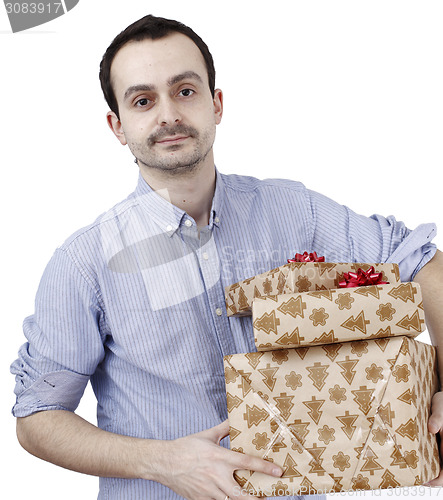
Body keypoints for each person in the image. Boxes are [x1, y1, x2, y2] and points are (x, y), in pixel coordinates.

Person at [10, 13, 443, 500]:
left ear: (217, 104)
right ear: (117, 125)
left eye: (186, 91)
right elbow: (38, 418)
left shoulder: (293, 209)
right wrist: (164, 461)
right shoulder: (84, 263)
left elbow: (421, 260)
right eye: (143, 100)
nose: (168, 114)